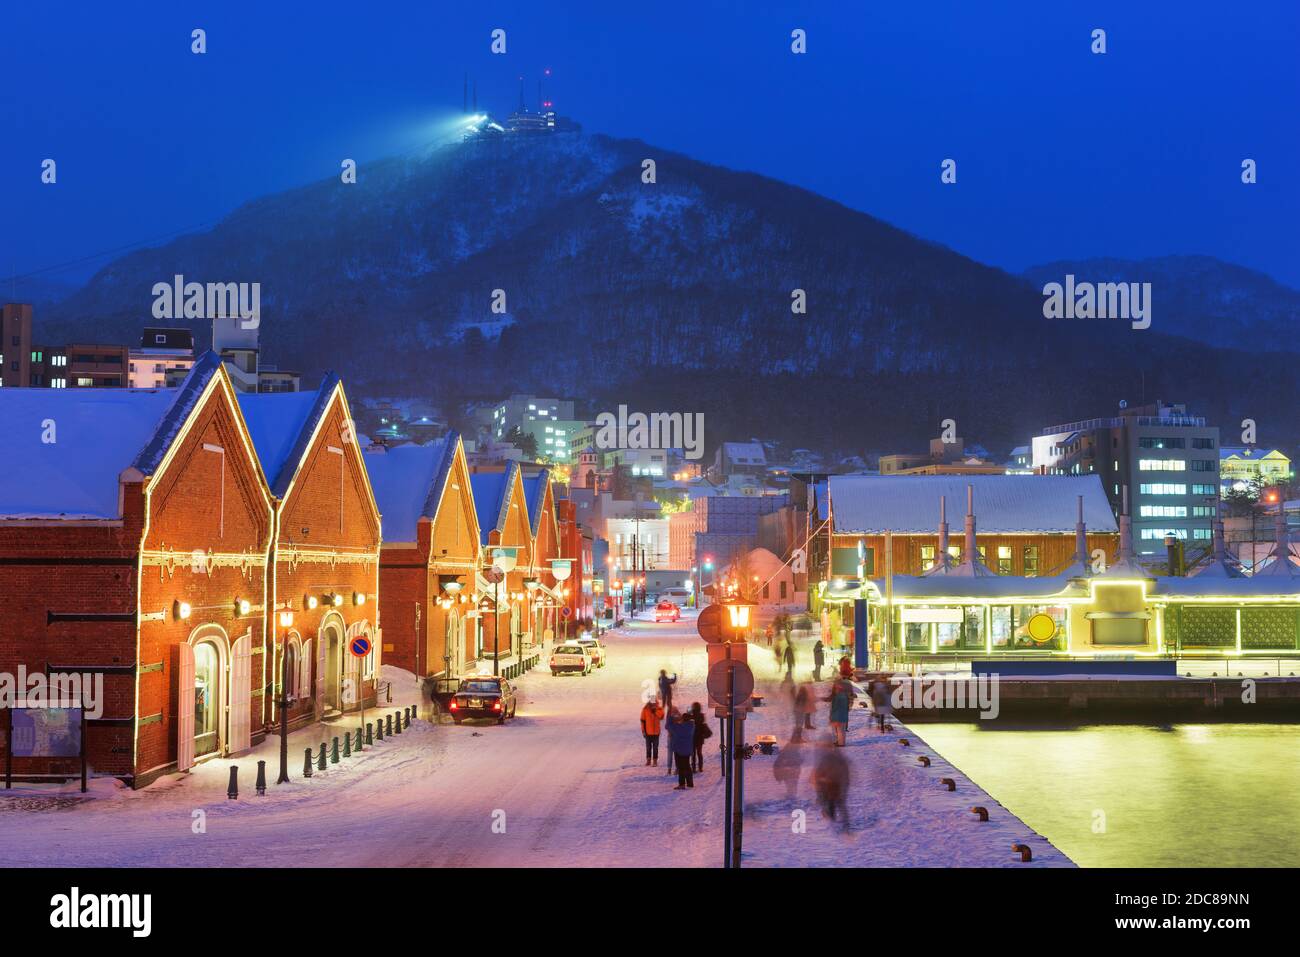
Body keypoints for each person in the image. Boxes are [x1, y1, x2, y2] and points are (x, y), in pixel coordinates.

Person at [812, 736, 850, 826]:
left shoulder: (831, 757)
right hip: (833, 784)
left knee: (836, 803)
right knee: (836, 803)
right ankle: (841, 823)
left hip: (834, 784)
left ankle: (838, 823)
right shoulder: (832, 756)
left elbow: (820, 772)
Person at [666, 708, 696, 789]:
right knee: (687, 765)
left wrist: (670, 716)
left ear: (683, 719)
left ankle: (682, 784)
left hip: (679, 749)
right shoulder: (691, 726)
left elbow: (668, 726)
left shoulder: (678, 727)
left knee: (680, 767)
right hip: (687, 750)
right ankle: (690, 783)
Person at [772, 736, 804, 801]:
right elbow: (796, 761)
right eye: (800, 744)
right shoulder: (791, 751)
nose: (802, 745)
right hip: (790, 773)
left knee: (792, 789)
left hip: (791, 773)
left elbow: (777, 764)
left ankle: (789, 800)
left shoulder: (790, 750)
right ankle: (790, 801)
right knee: (792, 789)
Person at [826, 677, 854, 746]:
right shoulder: (844, 695)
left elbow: (835, 707)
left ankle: (841, 743)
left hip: (838, 715)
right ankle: (839, 741)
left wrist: (832, 715)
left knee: (840, 730)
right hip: (842, 715)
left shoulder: (839, 696)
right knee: (840, 729)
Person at [689, 701, 712, 772]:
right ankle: (700, 767)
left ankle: (693, 768)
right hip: (700, 738)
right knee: (699, 753)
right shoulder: (701, 715)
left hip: (692, 737)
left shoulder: (691, 715)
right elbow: (701, 722)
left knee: (693, 754)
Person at [640, 699, 664, 766]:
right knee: (648, 747)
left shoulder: (659, 709)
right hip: (648, 732)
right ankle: (648, 760)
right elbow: (642, 721)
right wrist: (643, 731)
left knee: (655, 747)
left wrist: (655, 711)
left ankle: (655, 761)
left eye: (654, 703)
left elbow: (661, 717)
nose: (653, 704)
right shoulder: (645, 709)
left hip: (656, 732)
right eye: (652, 702)